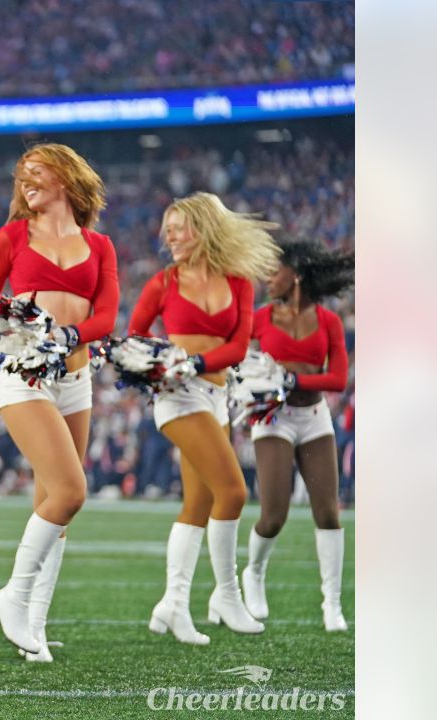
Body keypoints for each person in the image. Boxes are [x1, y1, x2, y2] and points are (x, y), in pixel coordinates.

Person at [0, 144, 117, 661]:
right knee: (71, 490)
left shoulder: (99, 245)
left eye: (37, 172)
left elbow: (106, 315)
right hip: (25, 372)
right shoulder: (12, 235)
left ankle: (35, 626)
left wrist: (69, 334)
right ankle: (12, 597)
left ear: (65, 177)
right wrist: (27, 322)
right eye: (22, 176)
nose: (26, 181)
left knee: (54, 506)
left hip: (76, 377)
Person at [127, 192, 279, 645]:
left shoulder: (239, 283)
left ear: (205, 229)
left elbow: (236, 347)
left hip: (218, 394)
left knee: (198, 504)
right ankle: (226, 596)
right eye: (167, 228)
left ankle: (173, 604)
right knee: (232, 492)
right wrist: (160, 366)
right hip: (177, 397)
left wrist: (197, 363)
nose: (169, 235)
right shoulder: (164, 283)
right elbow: (135, 336)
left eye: (178, 227)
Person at [240, 240, 353, 632]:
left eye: (274, 271)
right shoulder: (258, 317)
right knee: (274, 515)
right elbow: (239, 361)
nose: (267, 278)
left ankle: (332, 605)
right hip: (273, 417)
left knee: (328, 513)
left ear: (297, 274)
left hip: (314, 416)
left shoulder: (329, 321)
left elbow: (337, 379)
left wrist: (292, 378)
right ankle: (253, 573)